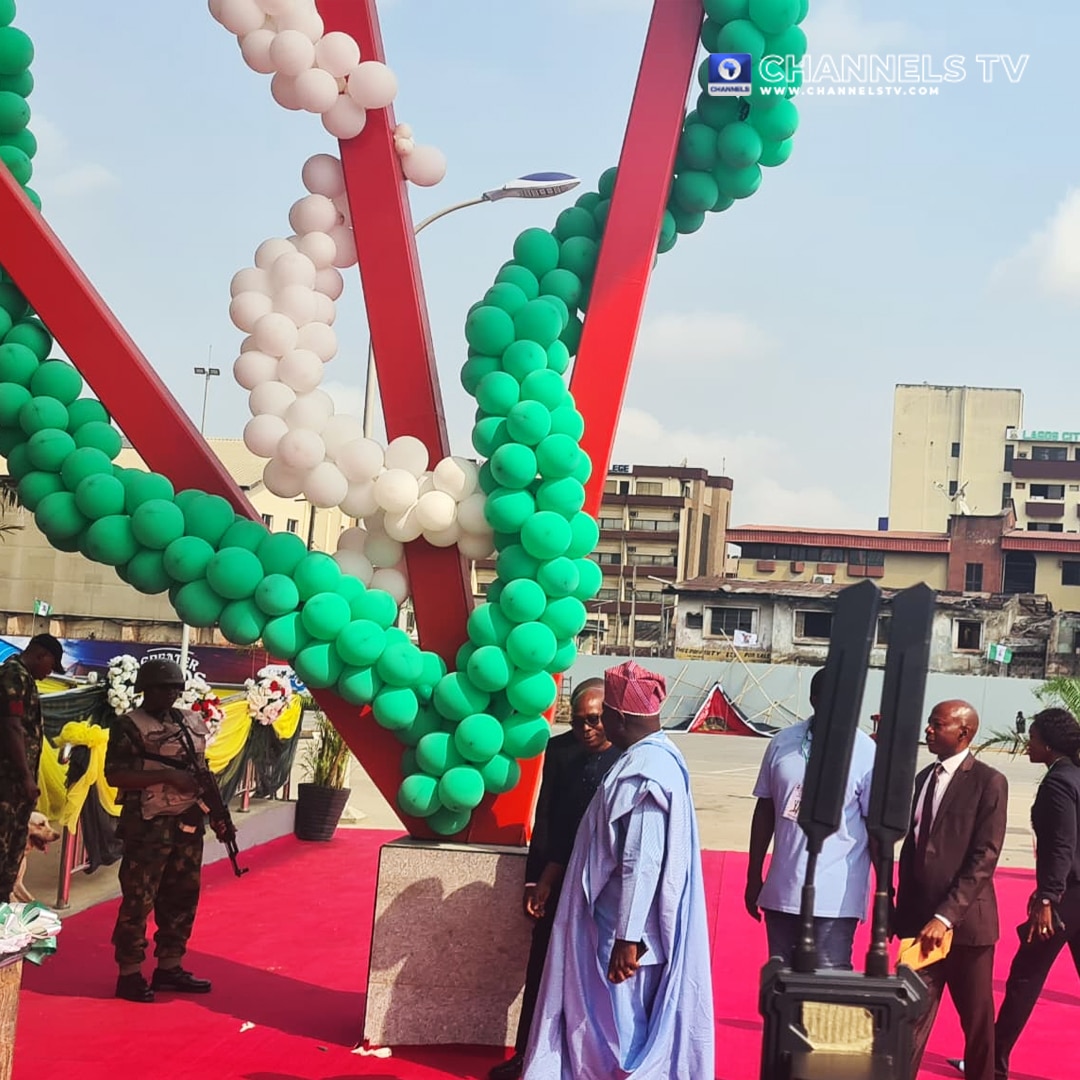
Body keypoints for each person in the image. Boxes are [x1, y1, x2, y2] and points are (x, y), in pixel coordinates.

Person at [522, 660, 713, 1079]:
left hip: (625, 936)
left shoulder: (644, 772)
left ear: (621, 718)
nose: (600, 724)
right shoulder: (658, 757)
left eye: (604, 714)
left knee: (618, 1034)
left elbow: (640, 862)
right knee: (616, 1028)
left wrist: (627, 938)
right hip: (625, 928)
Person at [489, 678, 622, 1080]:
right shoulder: (560, 750)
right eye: (579, 721)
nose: (587, 729)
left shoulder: (628, 754)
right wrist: (534, 880)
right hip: (557, 874)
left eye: (595, 720)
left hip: (605, 882)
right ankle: (525, 1054)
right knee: (541, 965)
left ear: (610, 717)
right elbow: (545, 817)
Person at [892, 700, 1008, 1080]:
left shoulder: (988, 782)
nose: (928, 730)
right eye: (928, 723)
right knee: (909, 1017)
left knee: (976, 1025)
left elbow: (984, 857)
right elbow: (913, 849)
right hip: (919, 926)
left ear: (964, 733)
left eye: (936, 725)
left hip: (966, 929)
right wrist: (900, 910)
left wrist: (945, 917)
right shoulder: (924, 777)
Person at [745, 668, 877, 969]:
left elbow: (875, 827)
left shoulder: (866, 752)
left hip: (836, 898)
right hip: (782, 892)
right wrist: (754, 875)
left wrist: (886, 893)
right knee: (780, 989)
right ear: (815, 700)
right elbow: (765, 809)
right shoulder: (783, 742)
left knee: (826, 996)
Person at [105, 659, 213, 1003]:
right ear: (145, 689)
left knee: (182, 895)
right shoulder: (129, 726)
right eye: (164, 688)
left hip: (186, 823)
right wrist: (166, 776)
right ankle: (129, 974)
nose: (171, 695)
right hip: (148, 826)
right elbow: (116, 775)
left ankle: (169, 965)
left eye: (175, 689)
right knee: (139, 899)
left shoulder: (186, 722)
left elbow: (202, 770)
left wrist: (217, 814)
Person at [991, 708, 1080, 1079]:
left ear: (1047, 743)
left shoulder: (1059, 783)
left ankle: (991, 1064)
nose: (1028, 744)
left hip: (1064, 897)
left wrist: (1047, 897)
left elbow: (1061, 844)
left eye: (1032, 738)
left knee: (1024, 978)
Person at [0, 634, 65, 900]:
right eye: (51, 665)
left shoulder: (24, 677)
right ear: (41, 655)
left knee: (12, 852)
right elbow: (11, 726)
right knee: (3, 848)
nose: (49, 672)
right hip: (7, 780)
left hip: (15, 782)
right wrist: (26, 777)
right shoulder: (14, 676)